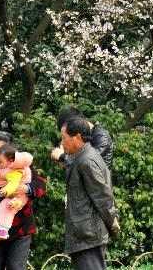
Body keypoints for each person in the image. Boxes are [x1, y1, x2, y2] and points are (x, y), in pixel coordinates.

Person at [0, 131, 47, 270]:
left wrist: (25, 189)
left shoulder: (22, 166)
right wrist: (5, 191)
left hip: (20, 230)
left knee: (16, 267)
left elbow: (41, 186)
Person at [62, 115, 120, 270]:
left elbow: (103, 197)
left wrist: (112, 223)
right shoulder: (82, 157)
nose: (62, 143)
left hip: (89, 235)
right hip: (84, 235)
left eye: (64, 138)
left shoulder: (87, 160)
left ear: (77, 137)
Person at [0, 144, 34, 240]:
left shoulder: (15, 170)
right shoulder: (3, 167)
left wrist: (5, 191)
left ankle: (3, 230)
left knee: (6, 205)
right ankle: (3, 230)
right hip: (14, 195)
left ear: (10, 161)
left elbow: (13, 184)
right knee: (7, 205)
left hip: (18, 197)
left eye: (0, 162)